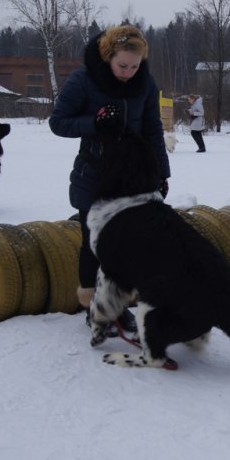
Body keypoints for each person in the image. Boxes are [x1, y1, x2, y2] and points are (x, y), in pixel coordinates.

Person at [49, 24, 171, 328]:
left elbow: (153, 129)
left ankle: (115, 304)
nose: (128, 72)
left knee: (124, 244)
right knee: (94, 242)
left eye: (134, 65)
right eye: (122, 65)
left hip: (131, 178)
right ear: (108, 56)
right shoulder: (84, 79)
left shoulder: (144, 83)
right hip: (93, 175)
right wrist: (95, 123)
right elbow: (58, 122)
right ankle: (93, 306)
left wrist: (161, 172)